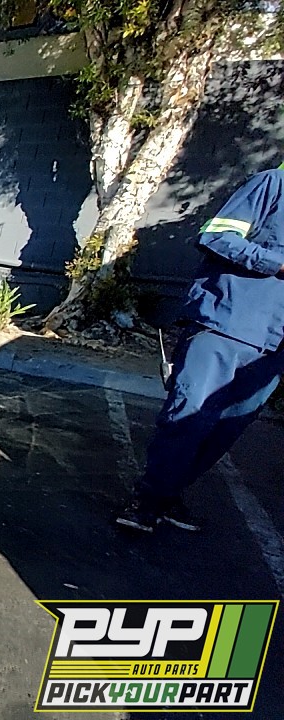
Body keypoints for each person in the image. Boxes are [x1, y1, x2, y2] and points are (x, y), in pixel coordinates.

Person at [117, 163, 284, 533]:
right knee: (188, 415)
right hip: (227, 323)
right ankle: (145, 501)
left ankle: (168, 493)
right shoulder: (273, 183)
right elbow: (216, 236)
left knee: (228, 427)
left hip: (274, 347)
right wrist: (277, 262)